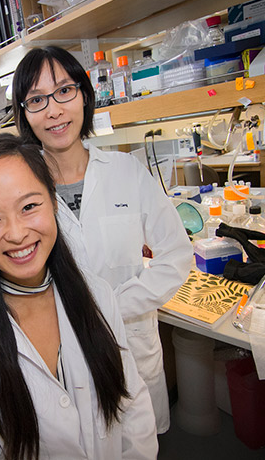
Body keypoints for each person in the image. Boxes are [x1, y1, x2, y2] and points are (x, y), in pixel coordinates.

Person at [0, 133, 158, 459]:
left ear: (54, 204)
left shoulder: (96, 293)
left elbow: (131, 406)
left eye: (29, 206)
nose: (16, 233)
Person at [12, 46, 193, 434]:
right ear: (24, 114)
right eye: (37, 99)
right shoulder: (21, 187)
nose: (54, 110)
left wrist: (113, 306)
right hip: (61, 351)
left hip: (132, 340)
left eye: (65, 90)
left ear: (84, 96)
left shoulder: (127, 171)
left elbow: (176, 256)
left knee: (140, 440)